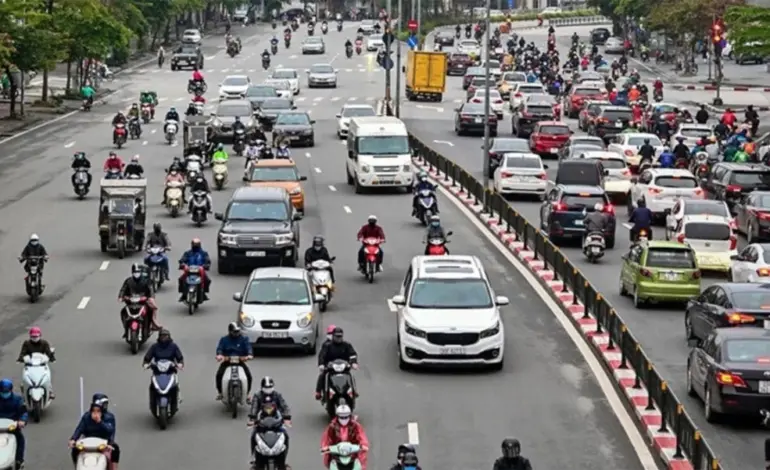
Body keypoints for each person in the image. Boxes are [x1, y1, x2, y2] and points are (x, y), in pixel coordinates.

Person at [69, 402, 119, 470]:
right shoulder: (86, 417)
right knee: (75, 450)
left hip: (102, 443)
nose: (95, 413)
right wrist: (73, 439)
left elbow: (110, 431)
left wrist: (100, 422)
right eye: (93, 411)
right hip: (88, 444)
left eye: (98, 411)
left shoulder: (108, 418)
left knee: (115, 449)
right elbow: (79, 429)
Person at [320, 404, 369, 469]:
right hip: (336, 453)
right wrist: (325, 447)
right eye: (341, 417)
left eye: (346, 417)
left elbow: (362, 436)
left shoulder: (355, 426)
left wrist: (363, 445)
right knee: (327, 458)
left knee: (362, 459)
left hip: (352, 453)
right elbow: (326, 438)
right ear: (337, 416)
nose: (344, 419)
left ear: (349, 416)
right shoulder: (332, 426)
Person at [315, 326, 358, 400]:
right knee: (322, 375)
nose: (338, 338)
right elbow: (322, 355)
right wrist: (321, 364)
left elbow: (353, 354)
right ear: (333, 336)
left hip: (344, 366)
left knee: (350, 376)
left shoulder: (347, 345)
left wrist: (354, 363)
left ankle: (354, 390)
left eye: (340, 336)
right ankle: (318, 392)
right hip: (330, 367)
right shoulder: (327, 345)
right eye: (336, 336)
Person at [118, 263, 160, 336]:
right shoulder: (128, 281)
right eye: (135, 272)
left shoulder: (146, 281)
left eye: (138, 272)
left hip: (143, 301)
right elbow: (123, 289)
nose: (136, 274)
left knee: (152, 309)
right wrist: (121, 297)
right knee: (123, 312)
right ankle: (126, 329)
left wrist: (151, 297)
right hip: (131, 302)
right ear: (132, 272)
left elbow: (151, 290)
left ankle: (153, 324)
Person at [215, 322, 253, 400]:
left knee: (248, 375)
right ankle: (220, 392)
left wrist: (249, 355)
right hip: (227, 361)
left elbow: (248, 347)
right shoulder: (224, 339)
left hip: (240, 361)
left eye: (238, 331)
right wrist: (219, 355)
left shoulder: (244, 339)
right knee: (219, 375)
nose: (237, 333)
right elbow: (220, 348)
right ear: (230, 331)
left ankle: (247, 393)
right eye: (235, 331)